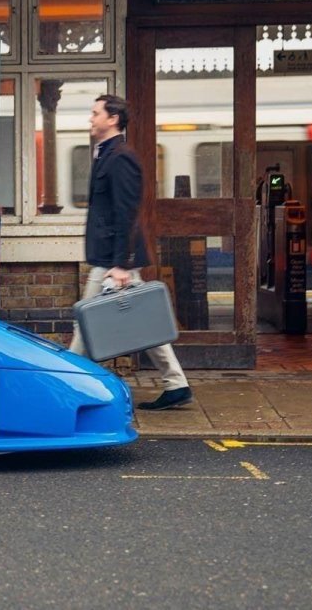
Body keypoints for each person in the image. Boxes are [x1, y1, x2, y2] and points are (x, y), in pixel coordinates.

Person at [69, 94, 192, 410]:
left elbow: (126, 212)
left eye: (96, 113)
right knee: (142, 320)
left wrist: (121, 264)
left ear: (112, 119)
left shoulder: (120, 157)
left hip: (115, 260)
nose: (90, 118)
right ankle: (176, 383)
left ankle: (66, 382)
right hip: (111, 258)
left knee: (86, 318)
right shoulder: (106, 153)